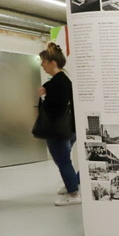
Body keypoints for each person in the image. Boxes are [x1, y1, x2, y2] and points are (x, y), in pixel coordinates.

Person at [38, 43, 80, 206]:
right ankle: (71, 184)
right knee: (64, 159)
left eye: (44, 62)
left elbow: (53, 108)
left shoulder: (56, 83)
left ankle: (74, 194)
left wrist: (43, 97)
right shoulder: (64, 80)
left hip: (58, 130)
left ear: (53, 62)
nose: (42, 65)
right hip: (68, 128)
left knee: (62, 161)